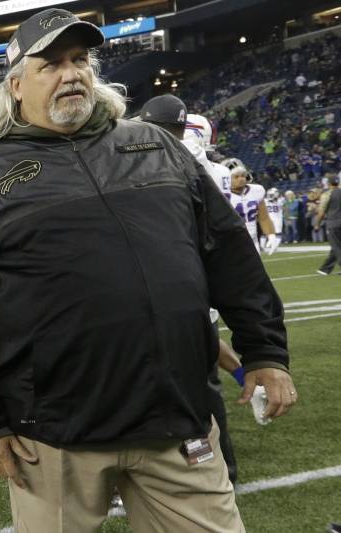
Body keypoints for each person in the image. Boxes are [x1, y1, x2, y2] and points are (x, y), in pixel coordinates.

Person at [0, 8, 296, 532]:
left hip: (175, 420)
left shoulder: (157, 148)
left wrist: (264, 351)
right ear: (15, 86)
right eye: (50, 64)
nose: (70, 73)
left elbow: (230, 256)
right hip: (54, 437)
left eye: (79, 60)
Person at [139, 96, 240, 483]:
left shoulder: (169, 161)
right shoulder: (211, 167)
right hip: (198, 279)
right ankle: (215, 464)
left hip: (174, 281)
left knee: (185, 383)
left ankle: (213, 465)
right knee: (199, 381)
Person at [227, 162, 280, 254]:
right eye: (236, 177)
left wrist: (271, 235)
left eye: (243, 176)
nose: (241, 179)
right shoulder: (221, 194)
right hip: (230, 243)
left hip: (252, 242)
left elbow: (264, 217)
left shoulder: (256, 190)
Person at [316, 175, 341, 274]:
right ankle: (325, 269)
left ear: (328, 183)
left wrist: (317, 223)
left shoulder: (327, 194)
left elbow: (321, 212)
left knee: (336, 246)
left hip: (333, 222)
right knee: (337, 246)